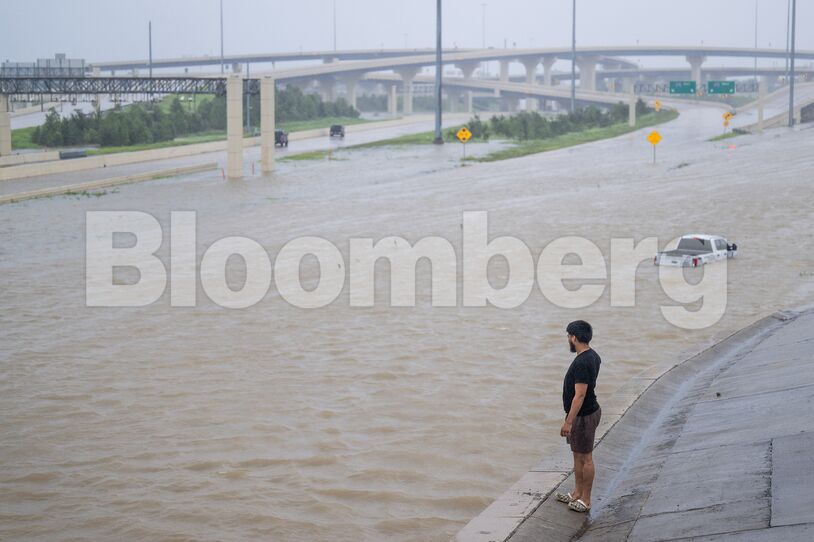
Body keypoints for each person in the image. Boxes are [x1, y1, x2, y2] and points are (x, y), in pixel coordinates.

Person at [555, 320, 601, 514]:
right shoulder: (592, 355)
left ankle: (586, 500)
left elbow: (580, 395)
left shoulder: (582, 362)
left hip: (584, 415)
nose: (568, 339)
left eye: (568, 336)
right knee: (577, 454)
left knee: (586, 457)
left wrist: (569, 422)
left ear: (574, 337)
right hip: (584, 413)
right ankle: (576, 493)